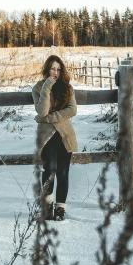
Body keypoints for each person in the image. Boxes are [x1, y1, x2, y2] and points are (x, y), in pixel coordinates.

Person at [32, 54, 77, 221]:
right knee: (49, 172)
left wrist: (50, 118)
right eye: (52, 69)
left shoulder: (67, 88)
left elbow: (72, 110)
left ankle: (60, 209)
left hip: (65, 135)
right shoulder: (38, 88)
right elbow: (42, 111)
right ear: (47, 69)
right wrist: (47, 86)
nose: (55, 73)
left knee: (63, 173)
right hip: (47, 137)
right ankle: (47, 208)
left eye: (58, 69)